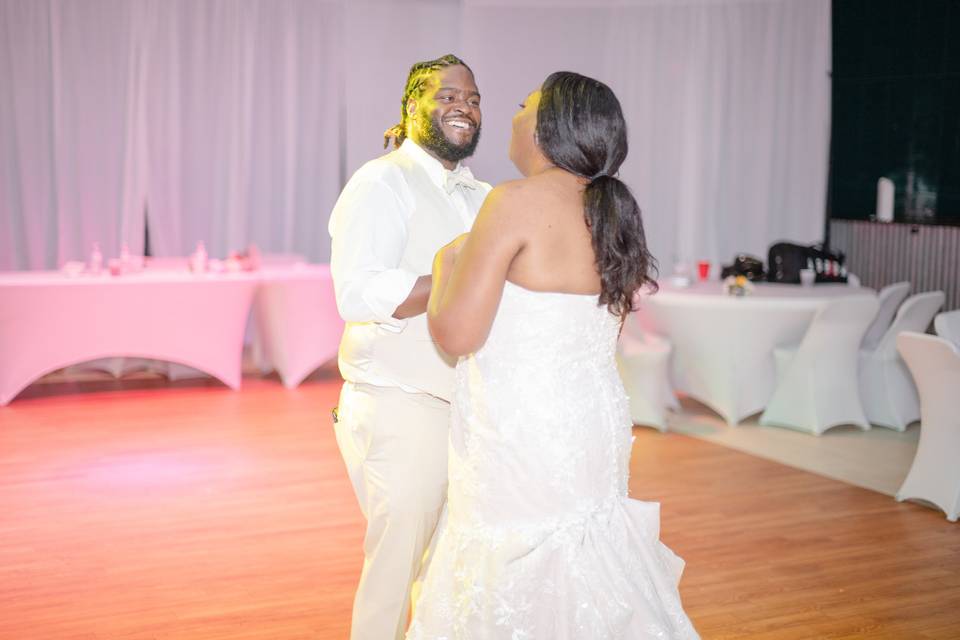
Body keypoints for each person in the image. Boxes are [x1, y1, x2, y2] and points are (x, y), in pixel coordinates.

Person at [407, 72, 699, 639]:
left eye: (523, 106)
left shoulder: (512, 201)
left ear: (546, 130)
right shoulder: (612, 212)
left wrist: (445, 265)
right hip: (593, 426)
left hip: (521, 432)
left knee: (512, 553)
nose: (512, 117)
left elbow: (456, 335)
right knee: (584, 555)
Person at [328, 54, 490, 640]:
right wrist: (456, 276)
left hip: (468, 410)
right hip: (400, 403)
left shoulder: (484, 197)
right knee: (396, 572)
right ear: (411, 105)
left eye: (472, 99)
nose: (463, 107)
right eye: (447, 95)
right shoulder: (381, 181)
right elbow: (358, 290)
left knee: (452, 571)